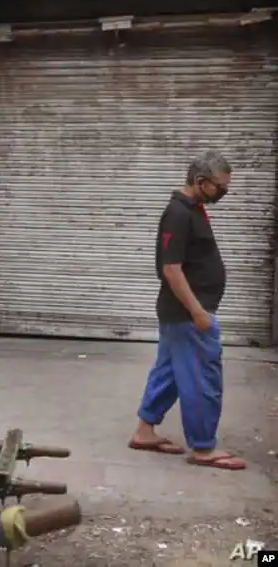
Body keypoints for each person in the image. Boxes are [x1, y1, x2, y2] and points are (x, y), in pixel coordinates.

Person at [128, 151, 246, 470]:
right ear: (200, 181)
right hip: (188, 314)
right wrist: (198, 312)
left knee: (169, 372)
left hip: (181, 313)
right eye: (220, 187)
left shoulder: (193, 207)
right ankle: (204, 447)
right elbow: (171, 269)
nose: (223, 193)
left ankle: (144, 431)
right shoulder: (178, 213)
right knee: (201, 379)